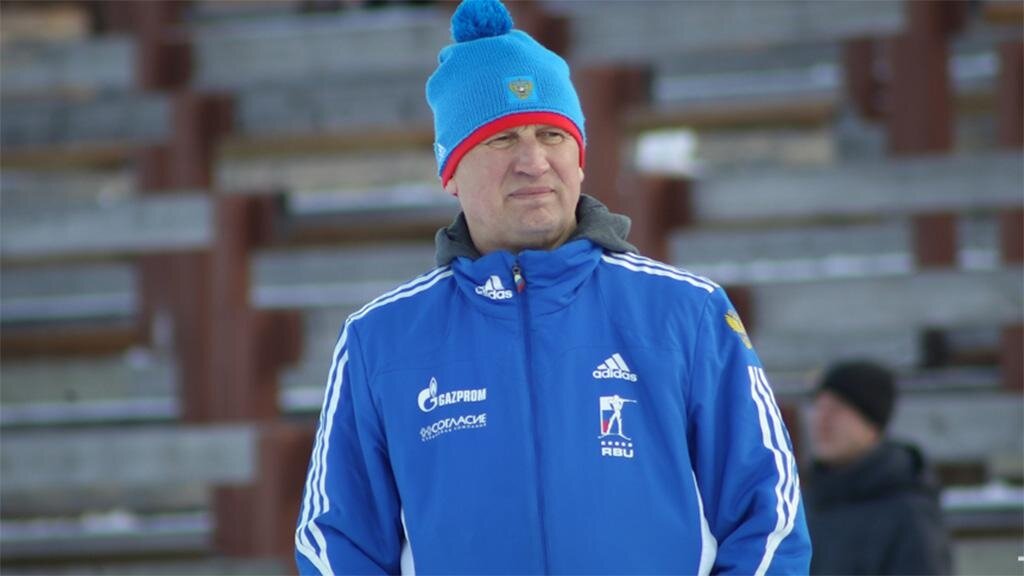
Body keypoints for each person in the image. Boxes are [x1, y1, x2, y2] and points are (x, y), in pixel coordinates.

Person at [295, 0, 811, 573]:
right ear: (451, 171)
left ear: (580, 158)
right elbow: (335, 542)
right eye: (501, 139)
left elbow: (768, 517)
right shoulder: (379, 339)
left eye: (551, 135)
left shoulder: (686, 312)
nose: (534, 162)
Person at [805, 360, 952, 575]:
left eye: (837, 410)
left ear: (872, 424)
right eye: (819, 407)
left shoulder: (909, 515)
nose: (822, 421)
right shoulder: (803, 503)